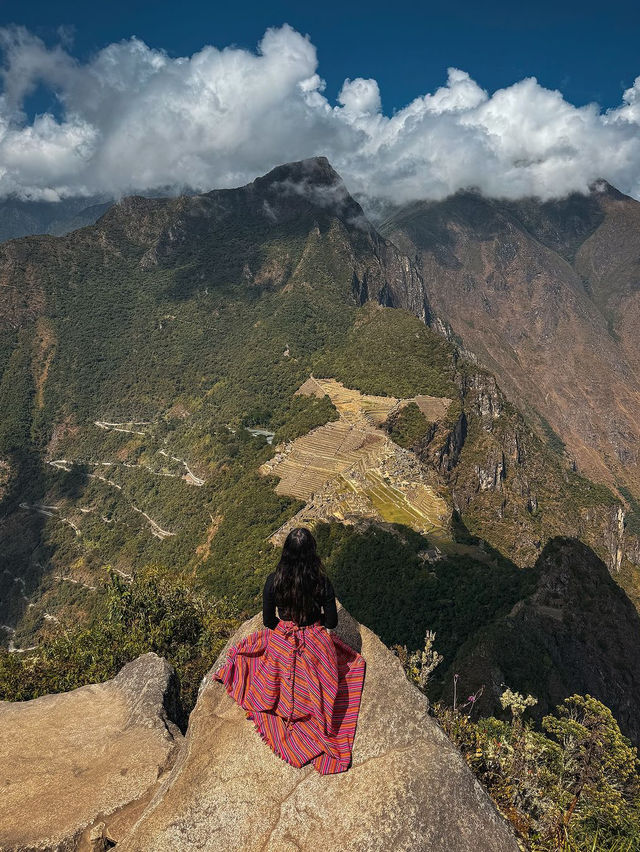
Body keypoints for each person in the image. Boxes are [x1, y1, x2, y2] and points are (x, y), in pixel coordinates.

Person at [212, 527, 366, 775]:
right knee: (348, 667)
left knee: (258, 661)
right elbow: (332, 623)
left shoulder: (274, 581)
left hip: (284, 642)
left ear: (285, 553)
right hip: (315, 643)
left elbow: (268, 620)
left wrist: (285, 633)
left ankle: (279, 700)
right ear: (312, 553)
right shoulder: (321, 582)